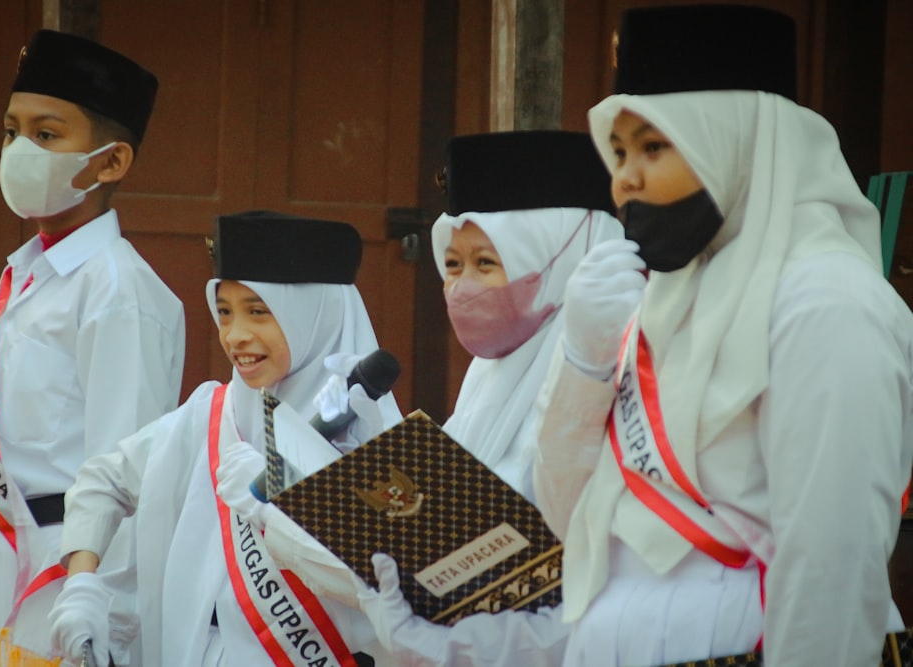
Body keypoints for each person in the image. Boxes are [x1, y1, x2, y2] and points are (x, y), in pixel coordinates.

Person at [532, 5, 913, 666]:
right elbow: (567, 517)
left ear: (739, 145)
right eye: (618, 152)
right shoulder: (659, 299)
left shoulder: (826, 301)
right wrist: (584, 362)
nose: (623, 179)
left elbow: (833, 558)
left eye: (654, 147)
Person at [263, 130, 624, 667]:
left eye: (486, 263)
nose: (462, 288)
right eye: (452, 266)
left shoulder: (613, 372)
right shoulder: (491, 375)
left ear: (561, 263)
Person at [49, 210, 405, 667]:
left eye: (258, 312)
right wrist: (81, 585)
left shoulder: (377, 439)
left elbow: (391, 583)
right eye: (224, 312)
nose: (235, 336)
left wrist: (281, 504)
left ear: (317, 315)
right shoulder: (211, 414)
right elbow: (104, 481)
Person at [0, 29, 185, 667]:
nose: (21, 150)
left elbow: (126, 471)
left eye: (47, 135)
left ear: (109, 162)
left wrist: (102, 608)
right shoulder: (28, 269)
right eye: (11, 131)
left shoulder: (119, 290)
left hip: (61, 562)